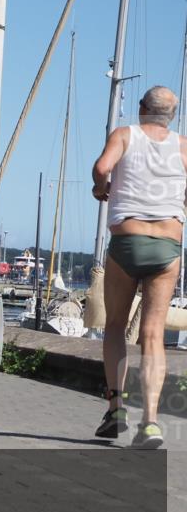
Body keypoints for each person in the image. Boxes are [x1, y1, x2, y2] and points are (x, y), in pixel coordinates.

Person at [91, 86, 184, 448]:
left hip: (127, 241)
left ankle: (116, 410)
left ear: (143, 109)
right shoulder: (183, 145)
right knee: (153, 335)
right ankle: (150, 423)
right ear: (171, 115)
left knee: (115, 326)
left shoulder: (125, 134)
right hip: (167, 246)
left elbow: (102, 167)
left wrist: (103, 189)